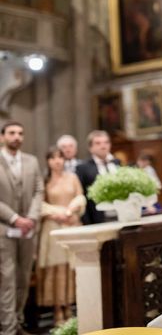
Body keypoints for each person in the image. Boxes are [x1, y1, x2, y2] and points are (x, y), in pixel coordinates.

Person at [0, 121, 44, 335]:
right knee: (7, 280)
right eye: (11, 133)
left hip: (27, 229)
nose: (16, 136)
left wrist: (32, 217)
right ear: (2, 137)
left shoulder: (31, 161)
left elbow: (38, 190)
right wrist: (15, 218)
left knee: (23, 278)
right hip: (3, 230)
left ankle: (17, 324)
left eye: (20, 133)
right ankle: (6, 330)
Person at [37, 146, 85, 326]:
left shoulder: (72, 178)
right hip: (53, 227)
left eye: (60, 157)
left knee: (71, 268)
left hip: (72, 224)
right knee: (56, 269)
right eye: (53, 158)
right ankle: (57, 310)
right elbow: (39, 204)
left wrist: (72, 210)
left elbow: (81, 197)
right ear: (48, 161)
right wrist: (57, 213)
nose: (57, 161)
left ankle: (69, 308)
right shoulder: (44, 180)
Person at [76, 130, 121, 225]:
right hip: (99, 218)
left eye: (106, 142)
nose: (103, 146)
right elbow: (82, 196)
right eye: (98, 143)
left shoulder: (117, 163)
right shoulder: (83, 168)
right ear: (90, 148)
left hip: (121, 213)